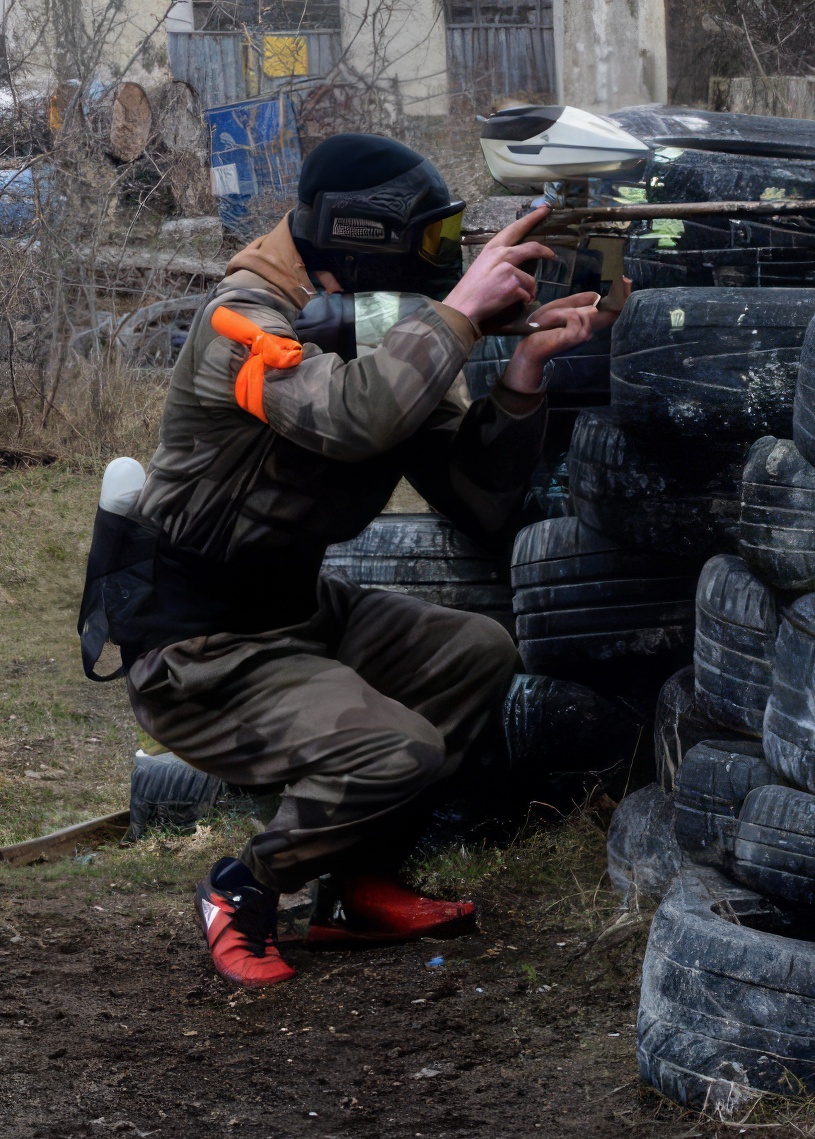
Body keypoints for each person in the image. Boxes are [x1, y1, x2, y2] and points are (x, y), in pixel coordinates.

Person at [115, 133, 620, 987]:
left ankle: (356, 886)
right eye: (428, 240)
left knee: (475, 653)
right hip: (200, 648)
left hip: (296, 614)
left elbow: (479, 498)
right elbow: (352, 418)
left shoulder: (378, 322)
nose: (443, 258)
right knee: (399, 750)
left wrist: (523, 371)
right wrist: (457, 315)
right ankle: (245, 888)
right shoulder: (242, 321)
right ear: (363, 234)